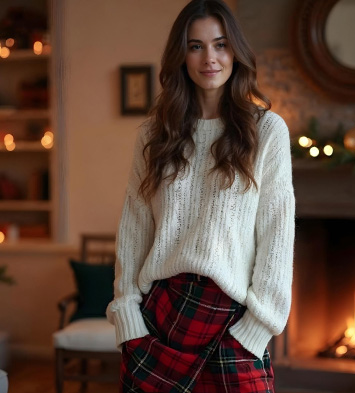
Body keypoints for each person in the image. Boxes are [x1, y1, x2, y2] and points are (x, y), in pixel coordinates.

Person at [107, 0, 295, 391]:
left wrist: (258, 328)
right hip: (160, 316)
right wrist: (127, 315)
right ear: (182, 56)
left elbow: (278, 233)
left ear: (235, 52)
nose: (209, 58)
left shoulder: (268, 131)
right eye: (195, 46)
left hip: (232, 319)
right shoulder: (154, 134)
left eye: (220, 44)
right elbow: (134, 226)